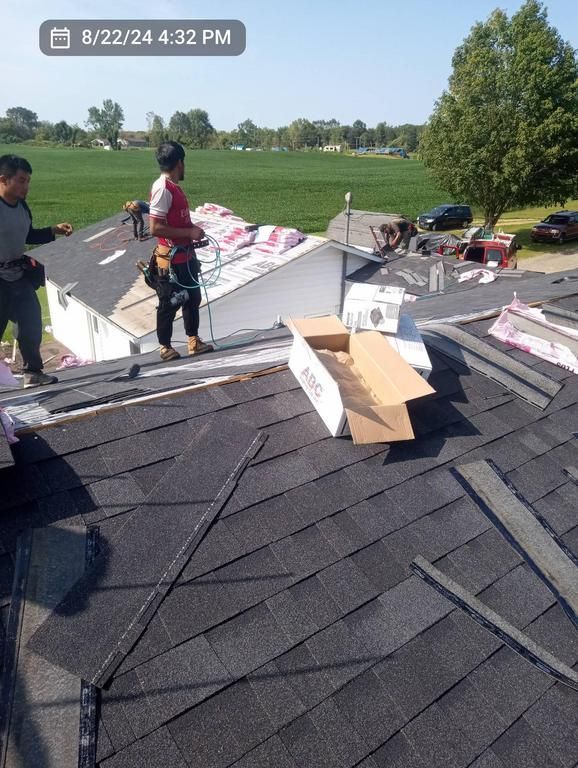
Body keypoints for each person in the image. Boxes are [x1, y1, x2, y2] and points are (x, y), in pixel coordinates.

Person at [0, 155, 73, 388]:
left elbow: (28, 235)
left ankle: (32, 373)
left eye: (28, 181)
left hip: (18, 275)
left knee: (31, 322)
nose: (26, 187)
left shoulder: (21, 207)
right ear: (3, 179)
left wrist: (53, 230)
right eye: (21, 181)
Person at [148, 141, 213, 361]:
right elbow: (155, 227)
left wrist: (191, 234)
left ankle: (193, 341)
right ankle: (165, 346)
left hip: (185, 256)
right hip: (171, 257)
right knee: (170, 301)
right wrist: (188, 233)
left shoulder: (173, 188)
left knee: (193, 297)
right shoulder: (163, 189)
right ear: (179, 163)